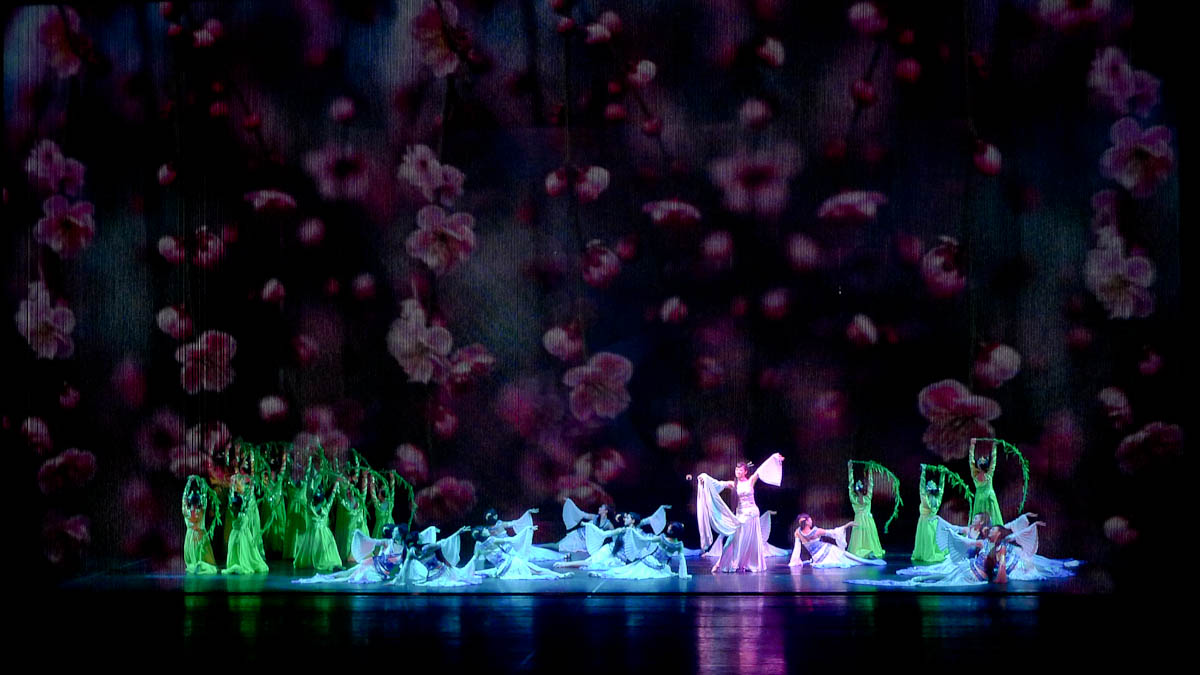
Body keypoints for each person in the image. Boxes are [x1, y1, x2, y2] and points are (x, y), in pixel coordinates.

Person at [694, 453, 785, 573]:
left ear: (745, 472)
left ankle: (738, 563)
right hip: (740, 515)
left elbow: (760, 470)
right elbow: (718, 483)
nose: (738, 471)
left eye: (740, 470)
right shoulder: (734, 484)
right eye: (737, 469)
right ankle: (721, 563)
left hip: (751, 514)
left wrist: (774, 458)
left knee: (746, 540)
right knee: (732, 539)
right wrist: (705, 479)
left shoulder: (750, 481)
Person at [588, 522, 691, 580]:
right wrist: (683, 574)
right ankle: (601, 575)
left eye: (669, 527)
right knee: (629, 572)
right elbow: (682, 560)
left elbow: (644, 539)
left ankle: (601, 575)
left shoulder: (662, 538)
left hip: (649, 562)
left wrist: (633, 532)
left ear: (671, 531)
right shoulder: (679, 545)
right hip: (660, 567)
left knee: (628, 571)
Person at [222, 456, 270, 575]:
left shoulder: (246, 493)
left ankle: (244, 560)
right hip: (236, 526)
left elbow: (248, 498)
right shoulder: (234, 493)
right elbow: (232, 499)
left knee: (245, 541)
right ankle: (235, 560)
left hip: (243, 526)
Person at [470, 526, 571, 580]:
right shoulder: (492, 540)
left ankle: (560, 575)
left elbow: (473, 560)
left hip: (502, 571)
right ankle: (560, 575)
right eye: (484, 530)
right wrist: (527, 529)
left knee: (535, 571)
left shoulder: (479, 547)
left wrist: (467, 570)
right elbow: (513, 540)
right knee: (537, 570)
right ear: (482, 534)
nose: (487, 530)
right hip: (512, 564)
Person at [787, 513, 885, 568]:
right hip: (828, 551)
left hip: (817, 558)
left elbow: (797, 548)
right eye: (810, 520)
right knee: (846, 557)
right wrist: (848, 525)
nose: (812, 521)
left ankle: (863, 562)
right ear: (807, 522)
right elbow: (834, 532)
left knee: (846, 557)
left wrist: (795, 560)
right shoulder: (816, 531)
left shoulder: (797, 532)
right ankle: (865, 562)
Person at [182, 476, 219, 575]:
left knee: (198, 561)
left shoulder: (188, 511)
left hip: (194, 538)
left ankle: (198, 564)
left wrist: (189, 484)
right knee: (198, 561)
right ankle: (197, 564)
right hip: (197, 537)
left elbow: (185, 498)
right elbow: (203, 498)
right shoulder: (198, 510)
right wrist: (201, 484)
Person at [847, 462, 885, 559]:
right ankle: (868, 552)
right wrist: (870, 471)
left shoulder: (857, 498)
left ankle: (868, 552)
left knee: (863, 540)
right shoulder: (864, 498)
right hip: (864, 521)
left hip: (862, 520)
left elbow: (851, 485)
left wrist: (850, 469)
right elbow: (870, 485)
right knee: (864, 539)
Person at [911, 464, 948, 564]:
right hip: (932, 523)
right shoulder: (936, 499)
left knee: (929, 539)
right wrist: (943, 475)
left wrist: (923, 471)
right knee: (931, 539)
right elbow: (941, 488)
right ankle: (927, 553)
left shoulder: (926, 500)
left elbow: (922, 489)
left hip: (927, 523)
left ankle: (927, 554)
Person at [969, 438, 1004, 526]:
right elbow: (993, 461)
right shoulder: (989, 474)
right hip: (988, 498)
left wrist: (972, 446)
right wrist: (994, 447)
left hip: (981, 499)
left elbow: (971, 461)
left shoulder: (976, 475)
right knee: (990, 518)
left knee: (985, 518)